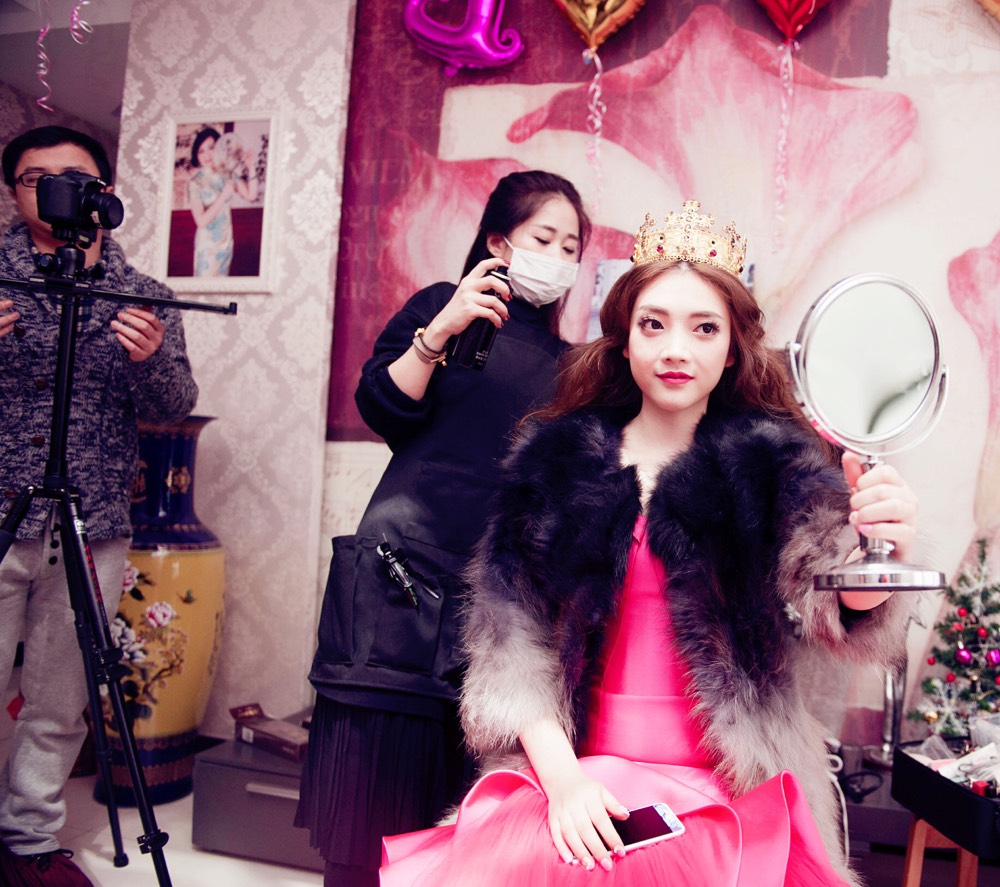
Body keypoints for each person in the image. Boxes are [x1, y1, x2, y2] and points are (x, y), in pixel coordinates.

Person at [379, 200, 921, 887]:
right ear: (624, 340)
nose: (675, 349)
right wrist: (565, 785)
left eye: (704, 328)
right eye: (653, 324)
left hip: (733, 785)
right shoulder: (555, 461)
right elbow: (509, 641)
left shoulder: (774, 465)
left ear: (732, 348)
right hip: (577, 780)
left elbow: (834, 604)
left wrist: (878, 551)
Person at [296, 170, 590, 887]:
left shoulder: (573, 366)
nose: (558, 256)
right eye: (544, 238)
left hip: (497, 597)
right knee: (373, 802)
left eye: (571, 247)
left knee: (459, 810)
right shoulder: (440, 310)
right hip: (400, 572)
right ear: (498, 243)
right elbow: (383, 409)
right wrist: (440, 331)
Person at [0, 125, 198, 886]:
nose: (53, 191)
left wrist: (148, 359)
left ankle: (30, 841)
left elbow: (175, 404)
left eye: (73, 178)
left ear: (103, 192)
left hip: (95, 520)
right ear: (14, 192)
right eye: (34, 178)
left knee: (60, 698)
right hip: (3, 509)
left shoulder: (143, 295)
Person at [187, 126, 259, 277]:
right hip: (207, 247)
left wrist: (251, 166)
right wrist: (223, 196)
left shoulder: (228, 174)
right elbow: (201, 221)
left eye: (211, 148)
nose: (207, 155)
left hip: (226, 243)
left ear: (219, 148)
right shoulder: (195, 182)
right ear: (196, 155)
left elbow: (251, 195)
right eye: (201, 151)